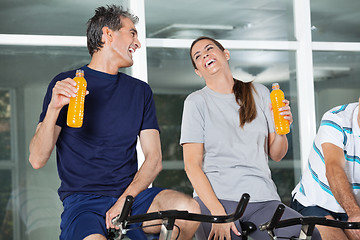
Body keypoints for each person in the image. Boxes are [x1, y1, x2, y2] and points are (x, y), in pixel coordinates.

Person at [28, 5, 199, 240]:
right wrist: (54, 108)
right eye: (132, 33)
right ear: (108, 35)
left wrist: (125, 201)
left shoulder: (140, 91)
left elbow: (154, 159)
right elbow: (37, 159)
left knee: (188, 210)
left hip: (132, 198)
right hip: (83, 202)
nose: (137, 43)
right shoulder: (66, 84)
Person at [180, 36, 322, 240]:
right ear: (198, 71)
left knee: (308, 235)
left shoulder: (260, 93)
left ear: (225, 54)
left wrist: (282, 129)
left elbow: (277, 154)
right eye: (198, 56)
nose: (205, 56)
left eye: (210, 49)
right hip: (216, 199)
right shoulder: (196, 102)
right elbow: (191, 165)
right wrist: (218, 214)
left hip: (263, 198)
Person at [291, 99, 360, 240]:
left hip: (354, 206)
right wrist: (354, 212)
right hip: (315, 202)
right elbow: (334, 168)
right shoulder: (336, 118)